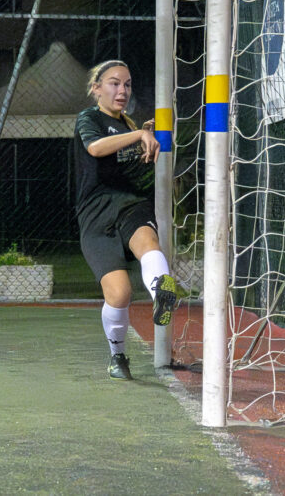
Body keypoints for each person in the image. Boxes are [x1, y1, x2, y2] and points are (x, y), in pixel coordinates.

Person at [74, 60, 180, 380]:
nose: (122, 90)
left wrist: (146, 137)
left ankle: (164, 291)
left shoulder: (132, 125)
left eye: (128, 84)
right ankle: (117, 356)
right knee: (119, 293)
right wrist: (138, 135)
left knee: (148, 242)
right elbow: (95, 148)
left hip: (130, 204)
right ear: (97, 89)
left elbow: (136, 163)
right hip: (95, 211)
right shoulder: (90, 118)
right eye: (114, 83)